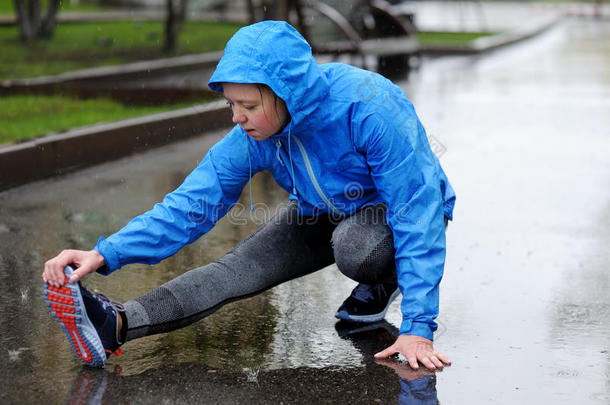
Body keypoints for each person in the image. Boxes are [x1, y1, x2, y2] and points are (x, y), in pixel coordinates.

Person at [42, 20, 455, 370]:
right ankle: (114, 325)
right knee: (237, 268)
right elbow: (189, 205)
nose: (237, 117)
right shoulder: (254, 133)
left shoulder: (369, 106)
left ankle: (384, 281)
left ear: (286, 94)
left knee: (356, 247)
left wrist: (418, 329)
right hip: (321, 211)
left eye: (248, 105)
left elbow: (416, 211)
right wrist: (105, 253)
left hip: (391, 213)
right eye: (230, 104)